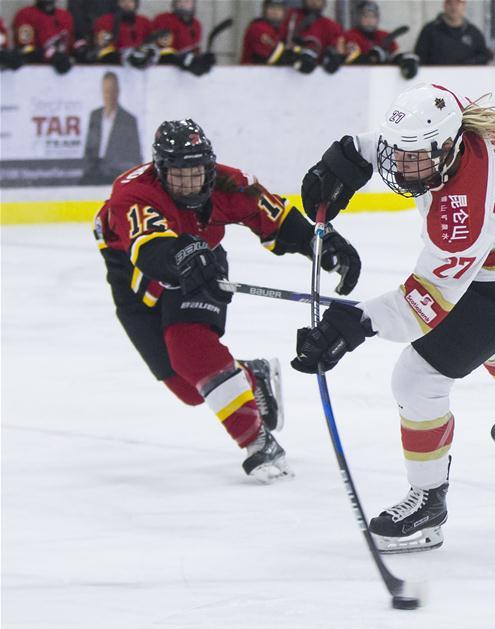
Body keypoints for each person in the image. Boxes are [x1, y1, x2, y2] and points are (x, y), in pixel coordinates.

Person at [294, 84, 495, 552]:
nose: (402, 168)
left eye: (416, 160)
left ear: (447, 151)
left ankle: (428, 504)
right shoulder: (448, 133)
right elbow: (397, 139)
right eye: (397, 155)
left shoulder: (462, 214)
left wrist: (351, 326)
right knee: (484, 332)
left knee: (417, 378)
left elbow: (420, 307)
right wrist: (347, 156)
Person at [92, 119, 362, 481]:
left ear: (210, 165)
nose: (190, 182)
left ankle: (257, 441)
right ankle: (252, 375)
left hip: (204, 257)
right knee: (188, 388)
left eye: (197, 171)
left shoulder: (228, 182)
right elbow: (150, 250)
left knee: (190, 349)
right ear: (160, 171)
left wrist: (324, 246)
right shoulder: (134, 193)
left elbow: (278, 220)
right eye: (178, 174)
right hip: (134, 273)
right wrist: (181, 257)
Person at [83, 72, 142, 185]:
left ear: (118, 91)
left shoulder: (128, 120)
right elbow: (88, 149)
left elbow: (136, 157)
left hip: (116, 174)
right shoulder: (94, 116)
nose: (109, 95)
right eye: (106, 91)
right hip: (94, 173)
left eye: (112, 91)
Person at [342, 1, 418, 79]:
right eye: (365, 16)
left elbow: (395, 54)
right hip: (358, 79)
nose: (369, 20)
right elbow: (351, 59)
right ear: (358, 18)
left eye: (373, 17)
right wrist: (372, 57)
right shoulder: (350, 36)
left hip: (384, 80)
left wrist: (402, 58)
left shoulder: (384, 35)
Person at [414, 0, 493, 66]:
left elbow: (484, 57)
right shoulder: (429, 30)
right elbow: (418, 59)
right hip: (436, 81)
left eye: (458, 3)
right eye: (450, 3)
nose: (454, 7)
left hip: (466, 81)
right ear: (444, 5)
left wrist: (466, 64)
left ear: (464, 5)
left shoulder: (474, 33)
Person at [280, 0, 345, 73]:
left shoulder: (331, 26)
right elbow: (278, 40)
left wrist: (334, 58)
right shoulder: (290, 17)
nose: (314, 2)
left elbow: (339, 50)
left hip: (318, 77)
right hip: (286, 73)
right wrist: (290, 57)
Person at [152, 0, 214, 75]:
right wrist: (177, 59)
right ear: (174, 3)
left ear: (193, 4)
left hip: (183, 75)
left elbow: (193, 51)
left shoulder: (196, 24)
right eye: (179, 1)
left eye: (186, 1)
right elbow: (158, 50)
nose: (182, 4)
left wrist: (201, 59)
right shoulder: (163, 19)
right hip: (163, 72)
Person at [13, 0, 75, 74]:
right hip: (36, 71)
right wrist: (49, 54)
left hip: (65, 71)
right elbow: (25, 48)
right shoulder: (25, 14)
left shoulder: (65, 16)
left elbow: (72, 45)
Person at [92, 0, 154, 67]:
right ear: (117, 3)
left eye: (130, 1)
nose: (126, 4)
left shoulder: (144, 22)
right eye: (123, 1)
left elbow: (152, 44)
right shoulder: (105, 21)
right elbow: (99, 44)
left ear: (136, 4)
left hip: (140, 64)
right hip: (113, 64)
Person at [240, 0, 293, 65]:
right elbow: (270, 56)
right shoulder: (257, 28)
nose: (275, 12)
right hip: (253, 71)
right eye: (271, 7)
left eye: (279, 9)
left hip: (272, 72)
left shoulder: (284, 29)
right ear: (265, 10)